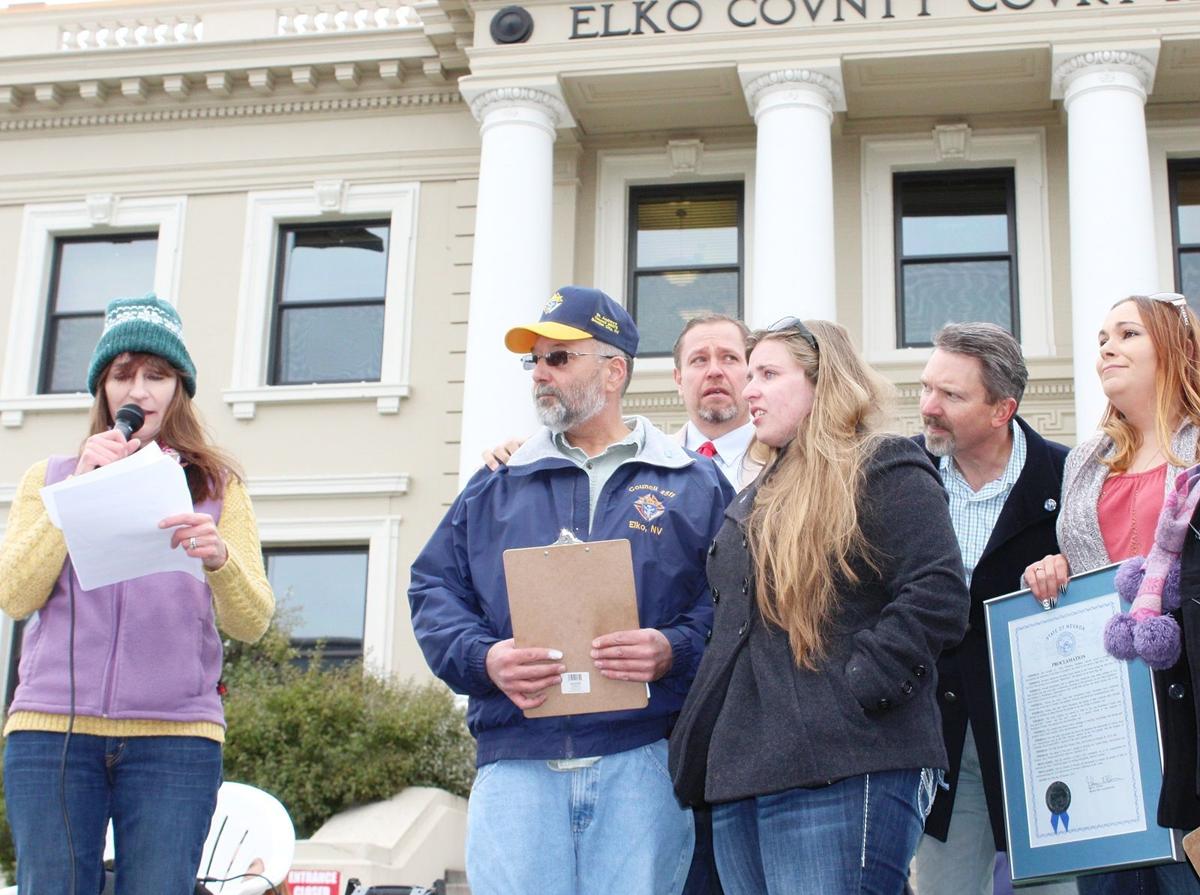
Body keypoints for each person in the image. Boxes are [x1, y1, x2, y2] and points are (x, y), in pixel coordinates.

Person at [408, 286, 734, 895]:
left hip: (644, 765)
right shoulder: (495, 485)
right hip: (517, 766)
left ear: (613, 372)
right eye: (533, 360)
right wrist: (485, 659)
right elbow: (433, 588)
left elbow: (738, 603)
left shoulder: (696, 484)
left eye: (558, 359)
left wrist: (675, 649)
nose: (540, 374)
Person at [669, 317, 970, 895]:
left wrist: (858, 690)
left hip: (846, 762)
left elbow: (937, 593)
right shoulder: (757, 493)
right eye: (749, 374)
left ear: (822, 380)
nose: (747, 389)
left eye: (768, 374)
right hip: (740, 776)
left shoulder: (882, 465)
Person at [0, 294, 275, 895]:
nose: (139, 391)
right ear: (102, 388)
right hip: (52, 733)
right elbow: (15, 595)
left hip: (174, 739)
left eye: (157, 375)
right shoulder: (47, 478)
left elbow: (252, 620)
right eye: (123, 374)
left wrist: (220, 560)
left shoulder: (215, 486)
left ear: (179, 389)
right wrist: (74, 493)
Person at [1024, 293, 1200, 895]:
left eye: (1127, 334)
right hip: (1102, 714)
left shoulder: (1199, 446)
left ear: (1174, 350)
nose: (1107, 347)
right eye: (1102, 337)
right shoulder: (1086, 459)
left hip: (1185, 702)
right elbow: (1085, 561)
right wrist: (1054, 568)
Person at [910, 323, 1075, 895]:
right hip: (942, 745)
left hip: (1048, 741)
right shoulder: (901, 477)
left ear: (1003, 408)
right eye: (927, 387)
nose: (928, 407)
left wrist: (1069, 572)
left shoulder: (1072, 477)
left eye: (950, 395)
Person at [671, 314, 758, 488]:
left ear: (751, 373)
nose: (714, 371)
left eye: (729, 358)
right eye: (699, 360)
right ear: (679, 379)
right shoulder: (646, 460)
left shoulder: (786, 464)